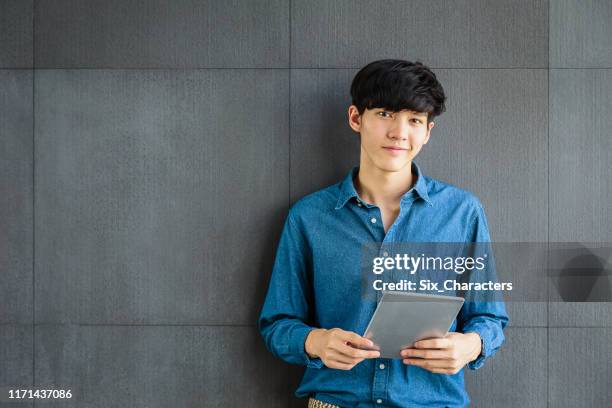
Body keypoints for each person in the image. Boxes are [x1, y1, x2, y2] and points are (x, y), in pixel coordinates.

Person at [258, 59, 509, 407]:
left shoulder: (462, 213)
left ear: (427, 132)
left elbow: (490, 317)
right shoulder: (309, 217)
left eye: (414, 120)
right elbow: (277, 323)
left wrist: (470, 345)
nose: (399, 132)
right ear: (355, 118)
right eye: (385, 114)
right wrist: (315, 341)